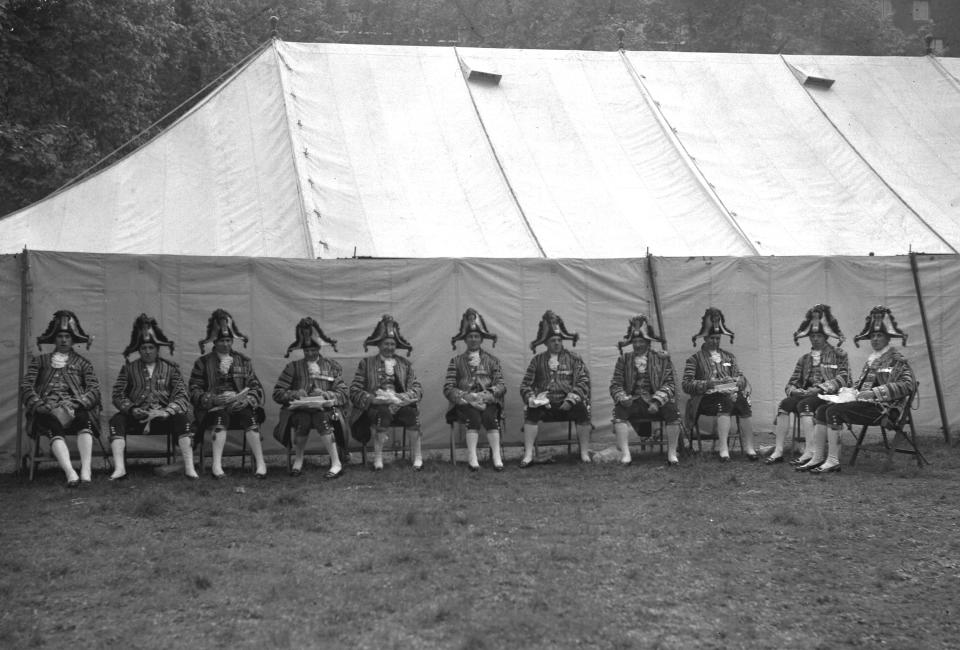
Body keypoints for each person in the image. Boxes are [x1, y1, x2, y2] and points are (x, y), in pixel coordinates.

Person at [797, 305, 916, 474]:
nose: (875, 339)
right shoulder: (873, 360)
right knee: (823, 410)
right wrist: (848, 392)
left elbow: (907, 385)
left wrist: (874, 393)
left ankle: (832, 461)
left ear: (888, 338)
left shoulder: (897, 360)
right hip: (867, 405)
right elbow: (861, 386)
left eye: (879, 335)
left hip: (884, 411)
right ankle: (817, 457)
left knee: (833, 412)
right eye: (873, 336)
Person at [109, 314, 197, 480]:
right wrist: (133, 409)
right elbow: (117, 394)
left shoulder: (171, 368)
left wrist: (167, 411)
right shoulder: (129, 369)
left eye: (151, 348)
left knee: (183, 419)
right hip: (138, 417)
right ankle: (120, 469)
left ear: (157, 349)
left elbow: (182, 395)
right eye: (144, 348)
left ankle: (189, 468)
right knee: (116, 420)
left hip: (163, 417)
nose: (147, 351)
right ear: (139, 350)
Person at [20, 310, 102, 486]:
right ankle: (70, 473)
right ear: (54, 339)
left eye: (67, 336)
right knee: (51, 423)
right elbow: (26, 387)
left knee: (84, 419)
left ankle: (86, 470)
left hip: (74, 408)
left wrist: (77, 403)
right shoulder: (39, 361)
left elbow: (94, 389)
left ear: (73, 340)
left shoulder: (83, 363)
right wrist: (39, 404)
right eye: (60, 336)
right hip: (46, 410)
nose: (64, 340)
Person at [766, 304, 849, 465]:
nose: (815, 338)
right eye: (812, 336)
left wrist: (820, 388)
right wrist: (794, 391)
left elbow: (844, 378)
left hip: (828, 396)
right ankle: (778, 450)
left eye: (818, 335)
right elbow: (791, 383)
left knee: (805, 405)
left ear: (825, 336)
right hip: (806, 395)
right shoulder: (804, 359)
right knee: (785, 403)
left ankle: (810, 450)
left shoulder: (839, 355)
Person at [188, 309, 267, 478]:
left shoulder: (243, 361)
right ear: (214, 342)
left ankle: (261, 463)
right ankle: (217, 466)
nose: (226, 344)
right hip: (213, 409)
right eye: (222, 340)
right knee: (220, 417)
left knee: (250, 417)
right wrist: (213, 399)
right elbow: (194, 391)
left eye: (229, 340)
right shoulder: (202, 363)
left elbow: (256, 387)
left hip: (239, 405)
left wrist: (247, 400)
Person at [272, 317, 349, 478]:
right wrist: (295, 394)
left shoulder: (331, 366)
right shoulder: (292, 367)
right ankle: (298, 460)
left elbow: (343, 392)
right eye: (306, 351)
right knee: (304, 419)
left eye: (313, 350)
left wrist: (327, 394)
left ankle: (336, 462)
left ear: (319, 348)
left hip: (326, 410)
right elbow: (277, 393)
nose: (310, 353)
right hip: (299, 411)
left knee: (320, 417)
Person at [349, 314, 424, 471]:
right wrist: (373, 399)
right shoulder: (366, 363)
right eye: (386, 344)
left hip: (399, 404)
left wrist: (403, 397)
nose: (389, 347)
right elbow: (354, 390)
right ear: (379, 345)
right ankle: (378, 459)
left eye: (392, 344)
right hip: (376, 407)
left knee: (412, 414)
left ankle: (417, 457)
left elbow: (417, 388)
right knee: (382, 413)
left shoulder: (405, 364)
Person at [682, 307, 757, 461]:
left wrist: (738, 381)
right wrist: (708, 384)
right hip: (705, 400)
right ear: (704, 338)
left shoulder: (729, 357)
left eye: (717, 338)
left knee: (742, 402)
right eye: (711, 338)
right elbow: (686, 384)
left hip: (730, 395)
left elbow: (740, 377)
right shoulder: (694, 359)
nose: (715, 341)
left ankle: (750, 448)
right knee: (726, 401)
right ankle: (723, 449)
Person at [519, 310, 591, 467]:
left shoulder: (574, 359)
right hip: (545, 404)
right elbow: (526, 385)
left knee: (582, 411)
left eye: (559, 340)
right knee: (532, 412)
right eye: (553, 340)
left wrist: (572, 399)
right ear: (546, 343)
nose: (557, 343)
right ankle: (528, 454)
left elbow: (583, 381)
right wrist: (532, 399)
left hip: (567, 402)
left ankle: (584, 453)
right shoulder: (537, 360)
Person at [609, 315, 682, 466]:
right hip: (634, 401)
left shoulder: (660, 359)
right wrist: (622, 397)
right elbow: (615, 384)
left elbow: (670, 383)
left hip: (655, 400)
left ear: (648, 342)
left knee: (672, 410)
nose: (637, 345)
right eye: (635, 341)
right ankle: (626, 454)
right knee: (619, 411)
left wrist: (656, 401)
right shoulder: (624, 360)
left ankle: (672, 453)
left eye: (641, 341)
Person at [443, 308, 506, 471]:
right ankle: (472, 457)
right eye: (470, 336)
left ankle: (496, 457)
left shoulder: (492, 360)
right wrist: (466, 396)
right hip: (465, 403)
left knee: (490, 417)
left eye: (476, 336)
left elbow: (501, 384)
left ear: (481, 339)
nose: (473, 339)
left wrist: (489, 394)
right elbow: (448, 387)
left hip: (487, 401)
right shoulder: (455, 361)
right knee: (473, 417)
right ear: (465, 339)